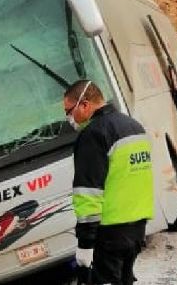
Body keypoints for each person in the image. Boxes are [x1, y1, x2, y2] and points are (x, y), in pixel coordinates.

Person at [64, 79, 153, 285]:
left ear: (84, 105)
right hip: (137, 228)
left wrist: (85, 245)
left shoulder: (93, 134)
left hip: (109, 233)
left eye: (69, 111)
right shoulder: (134, 126)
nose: (69, 119)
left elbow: (87, 194)